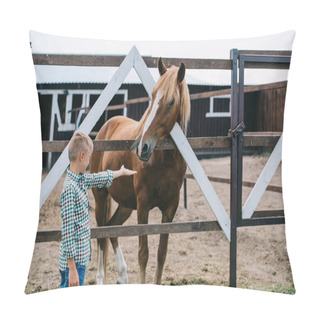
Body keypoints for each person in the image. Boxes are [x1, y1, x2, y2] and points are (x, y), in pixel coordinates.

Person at [59, 130, 136, 288]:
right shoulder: (69, 189)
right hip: (72, 265)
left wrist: (120, 172)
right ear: (82, 156)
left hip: (80, 260)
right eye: (89, 157)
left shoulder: (79, 180)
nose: (89, 162)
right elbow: (67, 234)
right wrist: (72, 268)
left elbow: (97, 178)